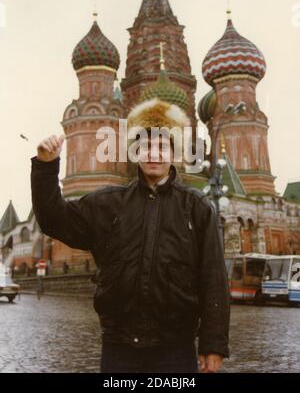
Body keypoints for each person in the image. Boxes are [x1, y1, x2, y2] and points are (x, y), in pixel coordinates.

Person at [30, 98, 230, 373]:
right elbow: (53, 220)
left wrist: (213, 345)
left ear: (174, 153)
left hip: (176, 348)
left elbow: (213, 278)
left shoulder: (196, 207)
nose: (154, 153)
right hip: (119, 347)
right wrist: (45, 166)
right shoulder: (109, 203)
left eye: (162, 146)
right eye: (146, 145)